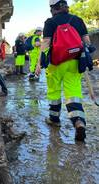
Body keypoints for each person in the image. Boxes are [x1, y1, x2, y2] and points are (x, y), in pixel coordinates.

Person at [35, 0, 92, 141]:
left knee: (54, 91)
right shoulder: (77, 20)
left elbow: (46, 44)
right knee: (73, 93)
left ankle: (54, 119)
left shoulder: (50, 22)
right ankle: (78, 121)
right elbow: (87, 42)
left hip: (56, 63)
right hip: (74, 62)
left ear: (53, 8)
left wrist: (38, 64)